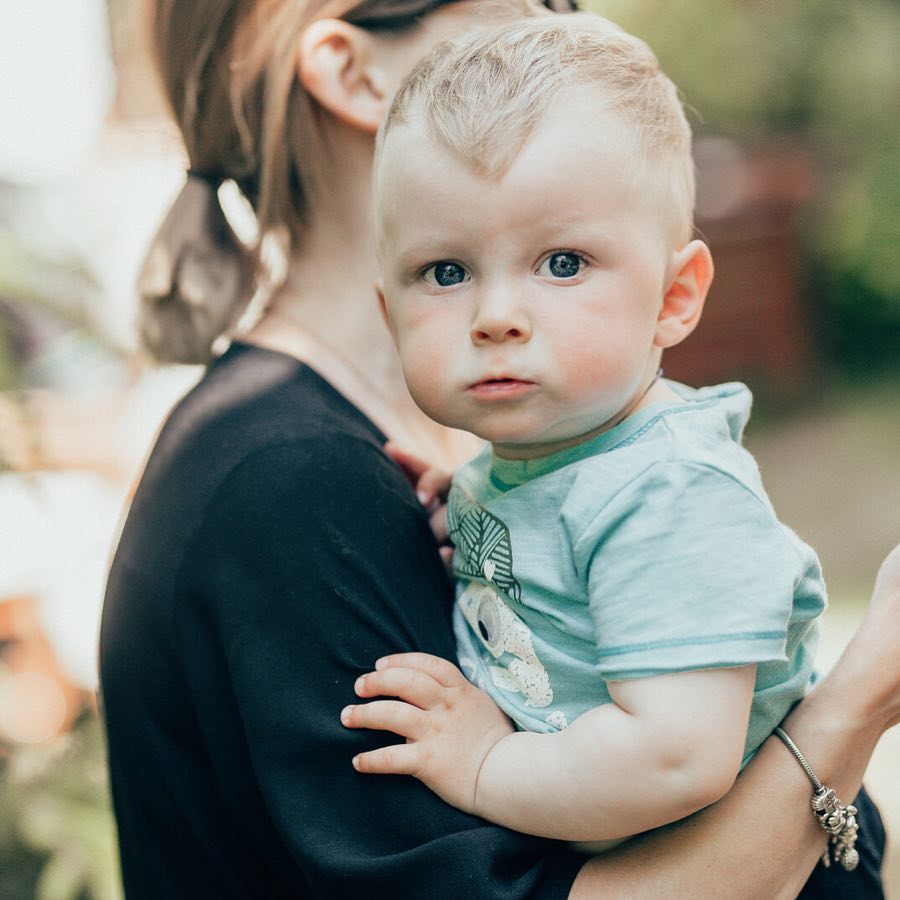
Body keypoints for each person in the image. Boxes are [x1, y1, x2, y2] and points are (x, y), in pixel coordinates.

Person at [97, 0, 900, 897]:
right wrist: (861, 695)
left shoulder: (552, 458)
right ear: (352, 71)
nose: (570, 21)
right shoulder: (286, 488)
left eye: (562, 262)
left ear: (677, 296)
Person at [343, 13, 825, 852]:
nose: (497, 316)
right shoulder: (538, 461)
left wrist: (487, 763)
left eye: (562, 263)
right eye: (446, 272)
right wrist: (467, 514)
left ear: (675, 298)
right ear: (390, 314)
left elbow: (676, 757)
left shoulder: (668, 494)